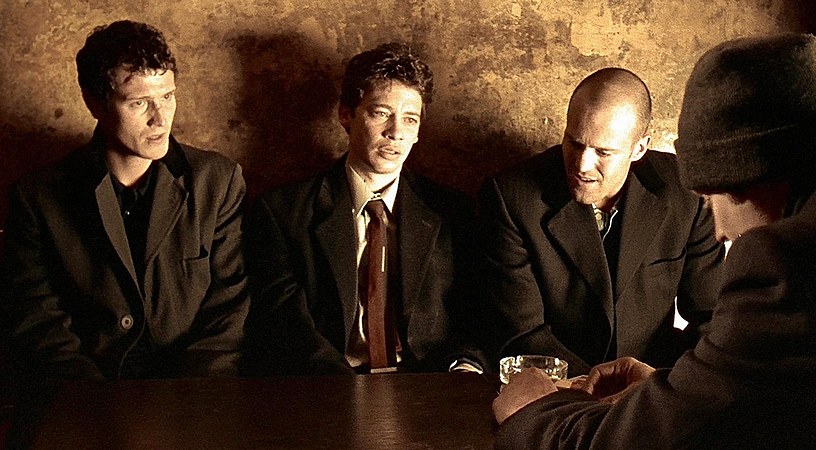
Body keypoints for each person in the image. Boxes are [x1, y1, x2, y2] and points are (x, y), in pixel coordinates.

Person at [492, 33, 816, 449]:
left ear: (745, 175)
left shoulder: (783, 261)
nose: (720, 233)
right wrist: (667, 385)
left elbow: (664, 431)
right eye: (574, 142)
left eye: (708, 197)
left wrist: (533, 413)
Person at [1, 20, 250, 386]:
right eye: (139, 103)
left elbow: (228, 311)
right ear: (94, 102)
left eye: (167, 96)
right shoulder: (38, 196)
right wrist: (96, 402)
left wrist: (190, 398)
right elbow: (37, 319)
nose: (160, 119)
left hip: (193, 395)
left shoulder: (218, 181)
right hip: (84, 399)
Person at [244, 43, 484, 375]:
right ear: (346, 114)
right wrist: (347, 392)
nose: (396, 132)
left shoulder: (452, 211)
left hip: (429, 385)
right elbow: (285, 325)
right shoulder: (283, 212)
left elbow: (475, 312)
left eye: (409, 119)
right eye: (381, 113)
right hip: (328, 386)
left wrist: (465, 365)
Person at [478, 68, 724, 376]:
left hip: (654, 386)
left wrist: (666, 385)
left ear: (639, 148)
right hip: (558, 388)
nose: (582, 165)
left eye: (603, 152)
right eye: (574, 143)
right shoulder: (510, 197)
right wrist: (594, 388)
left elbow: (712, 317)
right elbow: (522, 332)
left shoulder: (686, 190)